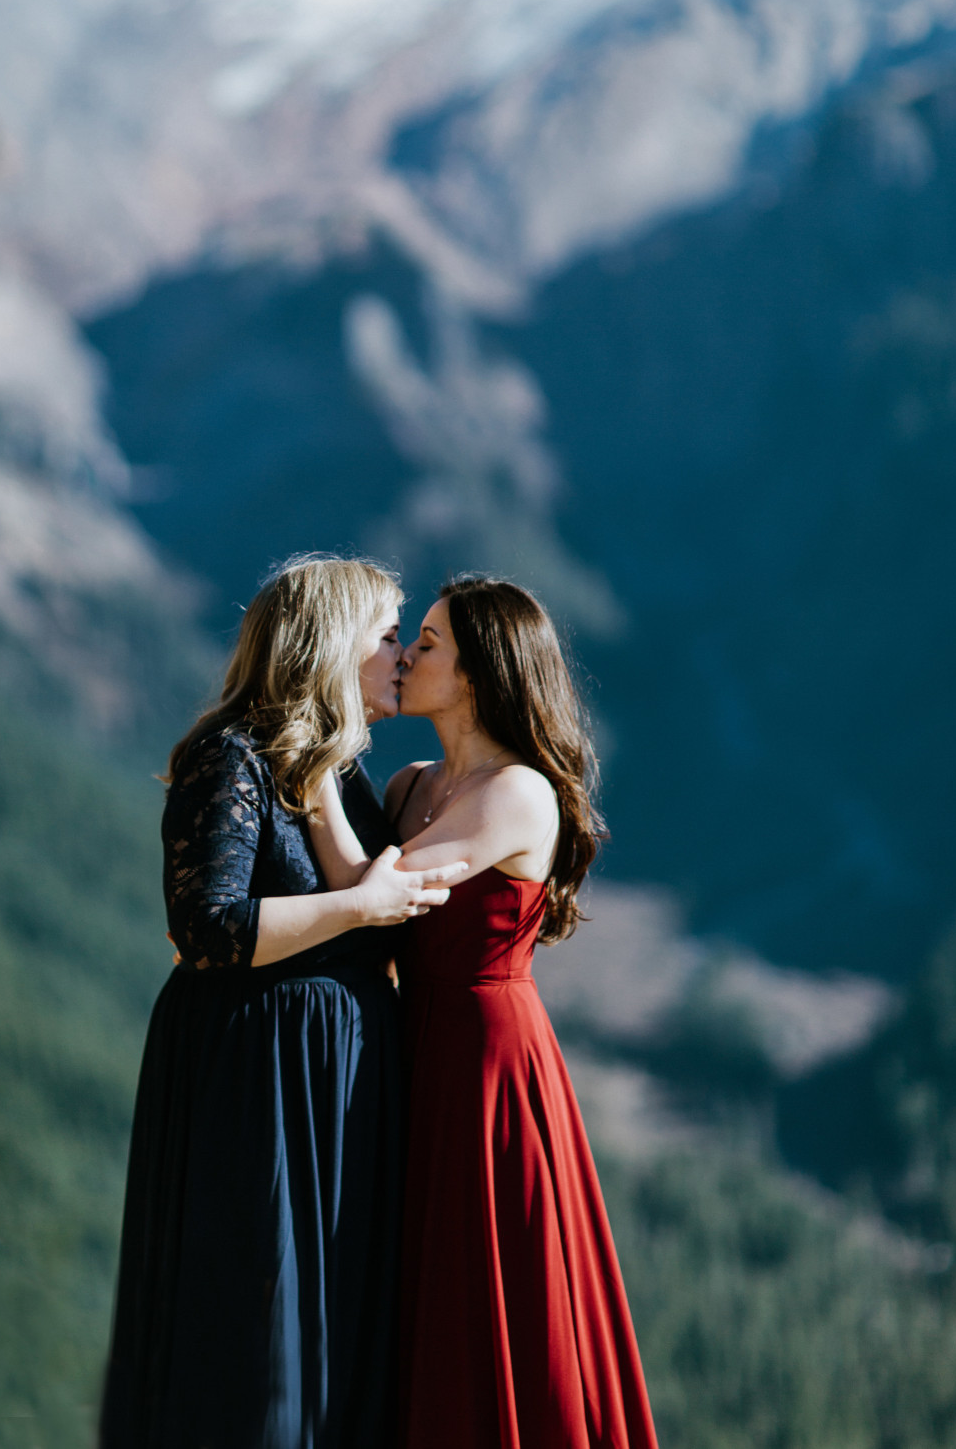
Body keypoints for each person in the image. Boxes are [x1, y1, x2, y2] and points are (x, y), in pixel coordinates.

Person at [99, 554, 461, 1449]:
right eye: (388, 639)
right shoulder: (230, 758)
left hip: (332, 1081)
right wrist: (358, 908)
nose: (402, 660)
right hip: (252, 1073)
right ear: (332, 646)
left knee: (328, 1320)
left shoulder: (341, 776)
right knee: (252, 1327)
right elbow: (205, 925)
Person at [312, 574, 659, 1449]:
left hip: (487, 1069)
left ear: (475, 674)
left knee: (493, 1287)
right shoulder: (409, 786)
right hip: (418, 1052)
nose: (405, 656)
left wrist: (313, 773)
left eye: (426, 643)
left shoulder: (519, 794)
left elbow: (369, 894)